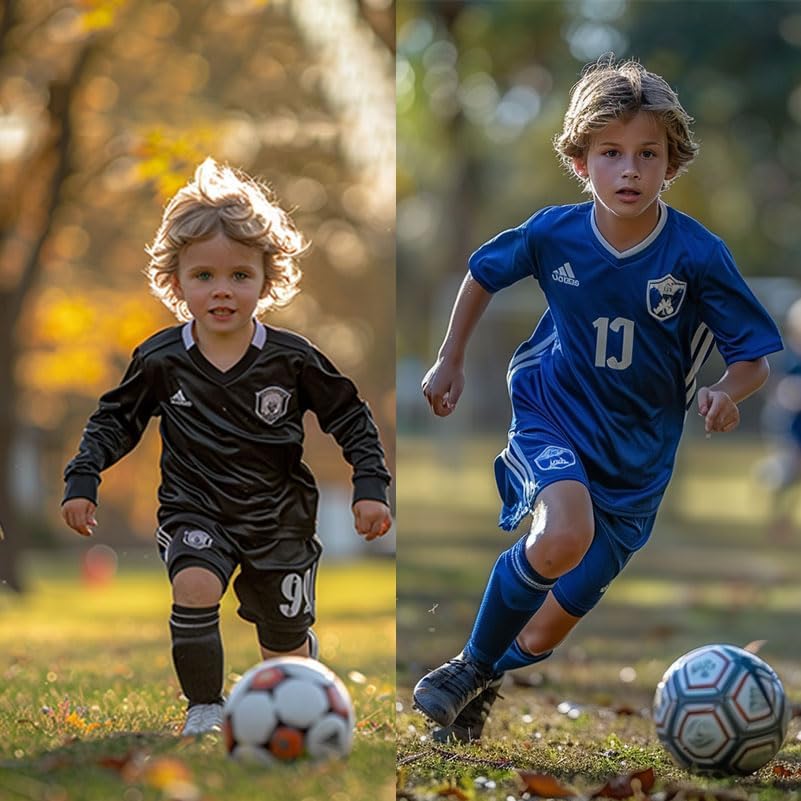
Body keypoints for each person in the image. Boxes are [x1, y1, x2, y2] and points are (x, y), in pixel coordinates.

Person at [414, 56, 783, 743]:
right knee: (559, 534)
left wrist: (726, 393)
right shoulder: (554, 233)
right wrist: (449, 357)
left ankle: (484, 679)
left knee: (550, 620)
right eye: (610, 152)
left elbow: (752, 359)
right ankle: (465, 666)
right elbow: (480, 274)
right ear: (580, 160)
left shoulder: (696, 255)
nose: (629, 170)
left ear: (671, 163)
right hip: (552, 412)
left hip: (638, 463)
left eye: (647, 154)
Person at [62, 158, 392, 736]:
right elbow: (114, 421)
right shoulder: (161, 359)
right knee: (194, 585)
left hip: (279, 517)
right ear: (176, 281)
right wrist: (83, 477)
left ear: (268, 279)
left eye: (240, 275)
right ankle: (205, 708)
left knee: (282, 647)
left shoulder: (291, 359)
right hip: (196, 507)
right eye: (204, 276)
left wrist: (370, 486)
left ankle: (295, 677)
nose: (222, 290)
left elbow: (351, 417)